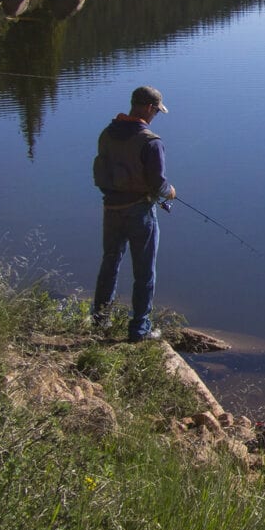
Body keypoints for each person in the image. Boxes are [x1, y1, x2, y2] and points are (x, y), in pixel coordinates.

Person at [91, 85, 177, 341]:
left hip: (111, 209)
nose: (155, 116)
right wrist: (170, 191)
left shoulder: (107, 134)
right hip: (140, 212)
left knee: (110, 262)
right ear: (150, 108)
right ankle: (140, 329)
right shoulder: (151, 142)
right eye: (156, 111)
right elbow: (157, 184)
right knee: (144, 271)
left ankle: (100, 320)